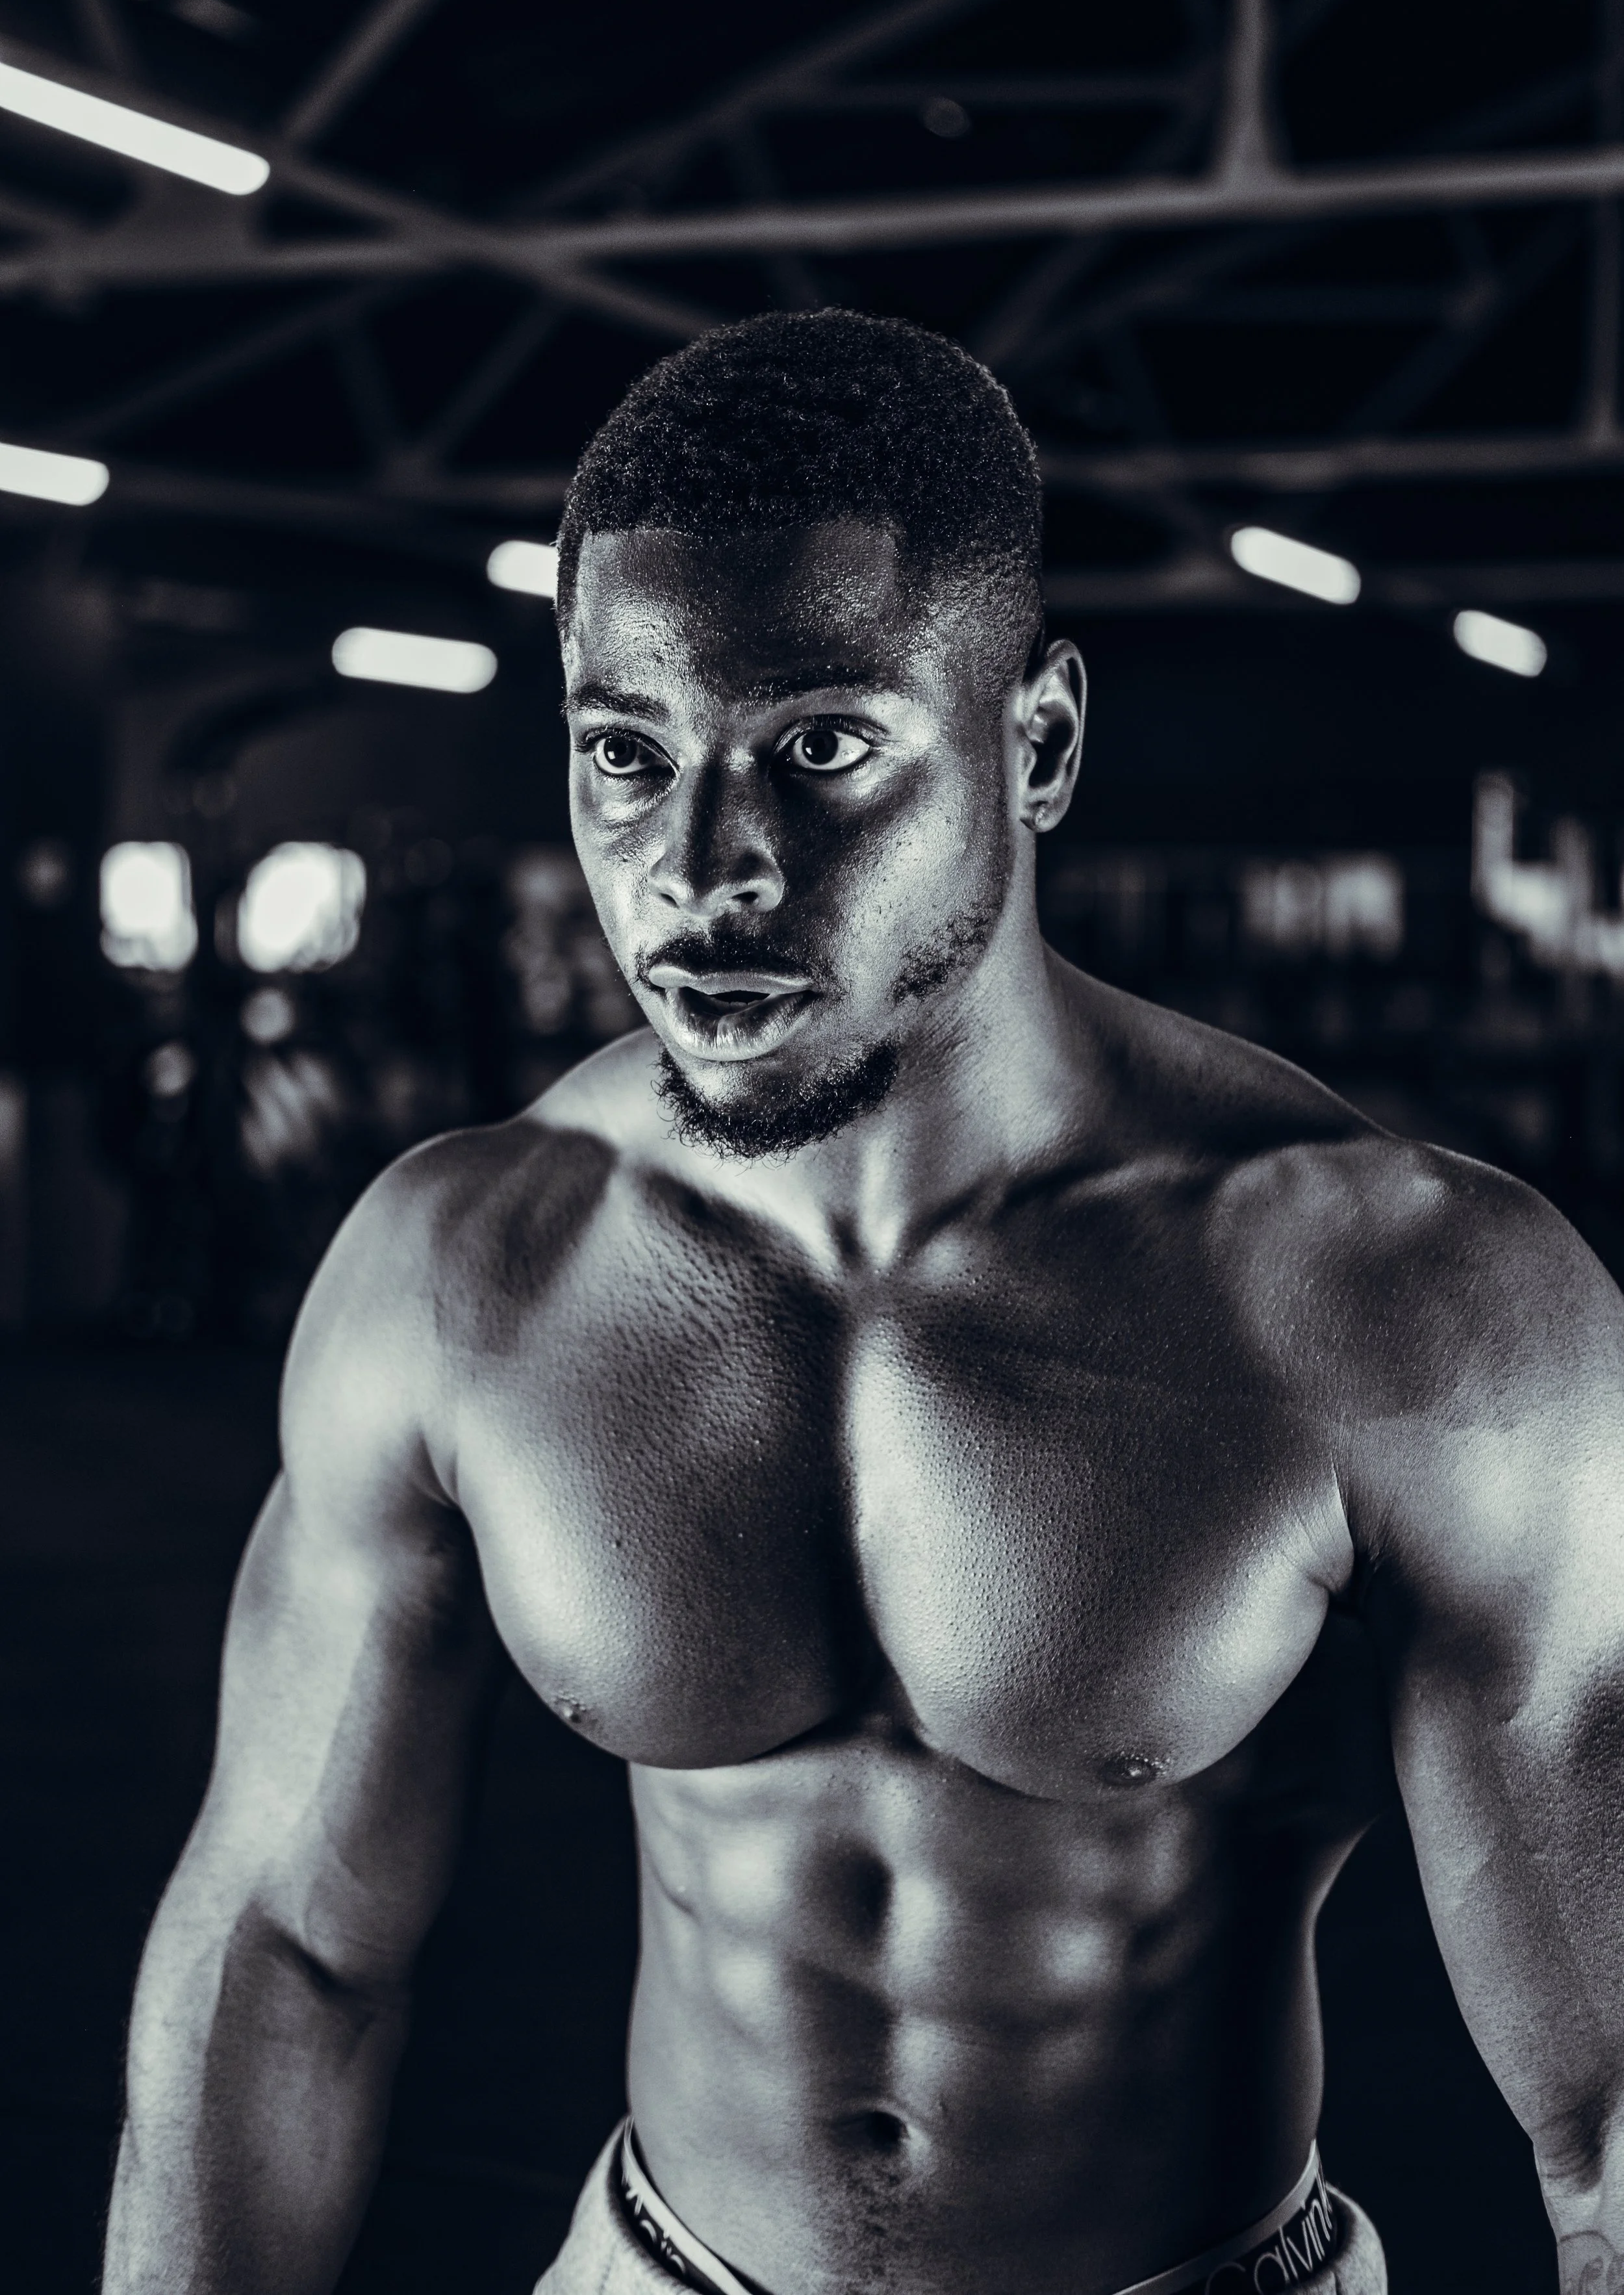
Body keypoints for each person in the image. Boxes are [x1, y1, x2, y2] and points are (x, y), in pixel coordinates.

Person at [104, 311, 1624, 2295]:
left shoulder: (1404, 1303)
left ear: (1040, 740)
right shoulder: (468, 1267)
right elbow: (285, 1942)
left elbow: (1603, 2107)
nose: (699, 869)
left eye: (820, 747)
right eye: (624, 760)